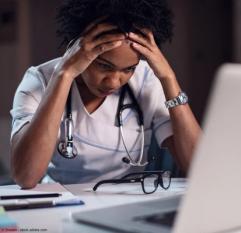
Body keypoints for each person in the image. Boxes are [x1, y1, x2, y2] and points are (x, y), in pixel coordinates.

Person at [10, 0, 201, 188]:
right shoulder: (39, 81)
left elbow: (198, 168)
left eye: (128, 69)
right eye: (103, 65)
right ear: (76, 47)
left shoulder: (145, 81)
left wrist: (168, 78)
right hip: (61, 203)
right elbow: (26, 176)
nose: (113, 81)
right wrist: (64, 74)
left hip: (126, 203)